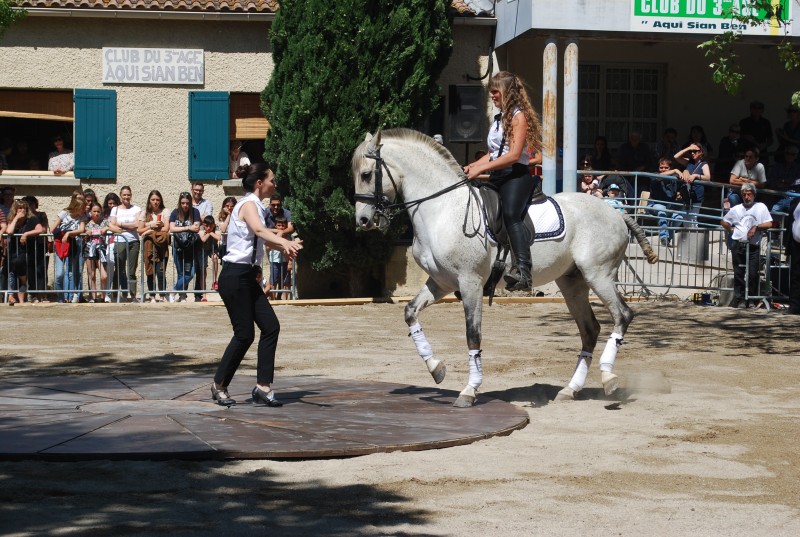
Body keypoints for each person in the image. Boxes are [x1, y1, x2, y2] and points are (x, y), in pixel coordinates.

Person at [211, 162, 303, 407]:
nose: (275, 184)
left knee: (270, 326)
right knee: (244, 334)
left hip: (248, 277)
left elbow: (261, 240)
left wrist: (285, 246)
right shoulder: (248, 205)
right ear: (259, 183)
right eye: (272, 179)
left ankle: (263, 386)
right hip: (234, 277)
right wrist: (284, 243)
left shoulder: (258, 207)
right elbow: (260, 231)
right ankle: (219, 384)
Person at [463, 70, 542, 291]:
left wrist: (481, 168)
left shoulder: (519, 116)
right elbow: (495, 153)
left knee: (510, 214)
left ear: (506, 92)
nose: (492, 96)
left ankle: (524, 272)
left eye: (495, 92)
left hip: (516, 175)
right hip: (500, 174)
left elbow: (514, 155)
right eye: (491, 92)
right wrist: (473, 167)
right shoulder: (499, 119)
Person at [721, 183, 773, 309]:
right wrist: (731, 230)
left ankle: (751, 299)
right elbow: (724, 221)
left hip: (753, 245)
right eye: (744, 195)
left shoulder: (761, 207)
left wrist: (756, 227)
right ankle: (740, 300)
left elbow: (769, 223)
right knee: (739, 273)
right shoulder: (736, 209)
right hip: (738, 244)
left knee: (753, 273)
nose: (746, 197)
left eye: (749, 194)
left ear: (754, 195)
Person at [5, 199, 43, 305]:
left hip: (27, 252)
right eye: (20, 208)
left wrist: (26, 234)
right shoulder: (12, 219)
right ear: (15, 209)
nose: (22, 210)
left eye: (24, 208)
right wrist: (16, 218)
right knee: (12, 274)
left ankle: (26, 298)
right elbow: (9, 231)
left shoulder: (32, 219)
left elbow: (40, 230)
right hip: (13, 252)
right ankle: (11, 296)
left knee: (26, 275)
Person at [108, 186, 142, 302]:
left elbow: (137, 225)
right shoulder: (115, 209)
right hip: (120, 241)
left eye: (128, 195)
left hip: (134, 241)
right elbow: (112, 225)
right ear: (121, 195)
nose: (126, 197)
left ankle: (132, 296)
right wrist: (127, 226)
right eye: (124, 195)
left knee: (132, 271)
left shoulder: (136, 209)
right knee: (119, 269)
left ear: (131, 195)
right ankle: (116, 295)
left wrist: (120, 224)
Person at [51, 192, 87, 303]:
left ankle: (70, 297)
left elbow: (81, 230)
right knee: (59, 274)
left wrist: (68, 234)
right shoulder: (64, 213)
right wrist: (64, 233)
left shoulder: (82, 217)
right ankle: (60, 297)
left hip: (73, 246)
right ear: (77, 207)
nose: (84, 210)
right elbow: (53, 228)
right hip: (60, 245)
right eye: (82, 208)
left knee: (71, 272)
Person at [138, 190, 170, 303]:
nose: (155, 202)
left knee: (161, 271)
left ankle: (162, 295)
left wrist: (151, 231)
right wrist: (150, 226)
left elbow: (166, 228)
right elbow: (139, 230)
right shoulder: (144, 213)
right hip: (149, 246)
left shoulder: (165, 211)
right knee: (150, 271)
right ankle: (152, 295)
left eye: (157, 200)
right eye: (153, 200)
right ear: (149, 200)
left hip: (161, 244)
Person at [169, 191, 201, 303]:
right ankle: (182, 296)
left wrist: (183, 227)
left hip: (191, 247)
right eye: (183, 203)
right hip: (177, 246)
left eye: (187, 203)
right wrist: (188, 228)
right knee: (181, 273)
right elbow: (171, 228)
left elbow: (196, 227)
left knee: (191, 273)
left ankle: (173, 292)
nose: (185, 205)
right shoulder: (175, 212)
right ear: (180, 203)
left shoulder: (195, 212)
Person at [673, 144, 709, 229]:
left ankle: (693, 240)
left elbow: (708, 177)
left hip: (696, 194)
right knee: (685, 217)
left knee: (693, 218)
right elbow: (676, 157)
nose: (692, 153)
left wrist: (696, 176)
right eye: (691, 152)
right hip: (686, 194)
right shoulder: (689, 162)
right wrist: (688, 148)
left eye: (695, 151)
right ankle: (688, 240)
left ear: (701, 152)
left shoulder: (704, 164)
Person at [21, 195, 48, 301]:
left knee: (41, 270)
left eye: (32, 203)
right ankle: (33, 294)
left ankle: (43, 294)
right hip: (29, 247)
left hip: (41, 245)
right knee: (31, 271)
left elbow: (44, 229)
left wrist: (29, 233)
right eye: (28, 203)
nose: (30, 206)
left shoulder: (41, 215)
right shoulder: (25, 218)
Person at [650, 157, 681, 246]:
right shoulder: (655, 175)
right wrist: (675, 170)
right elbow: (660, 177)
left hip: (669, 207)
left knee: (679, 218)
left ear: (670, 168)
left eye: (666, 168)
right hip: (654, 205)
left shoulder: (674, 178)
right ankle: (663, 237)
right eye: (661, 167)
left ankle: (668, 238)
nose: (663, 170)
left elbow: (681, 178)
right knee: (662, 210)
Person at [83, 202, 109, 303]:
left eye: (98, 211)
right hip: (89, 250)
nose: (96, 213)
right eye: (94, 211)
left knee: (104, 275)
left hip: (101, 250)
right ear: (90, 212)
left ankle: (104, 296)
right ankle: (93, 297)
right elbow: (81, 233)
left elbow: (117, 230)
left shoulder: (104, 222)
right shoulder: (87, 223)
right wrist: (85, 233)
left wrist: (107, 228)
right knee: (92, 274)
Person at [766, 145, 800, 213]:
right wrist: (788, 183)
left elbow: (797, 182)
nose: (789, 156)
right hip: (776, 194)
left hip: (792, 196)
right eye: (787, 153)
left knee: (775, 209)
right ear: (784, 154)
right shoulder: (777, 166)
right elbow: (772, 181)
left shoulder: (798, 168)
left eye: (793, 154)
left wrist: (782, 181)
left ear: (796, 156)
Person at [101, 192, 120, 302]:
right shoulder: (103, 214)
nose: (111, 205)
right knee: (107, 270)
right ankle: (106, 293)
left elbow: (118, 229)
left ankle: (114, 293)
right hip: (106, 244)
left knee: (116, 271)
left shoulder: (119, 213)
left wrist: (108, 227)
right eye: (109, 203)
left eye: (113, 203)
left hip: (117, 242)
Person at [267, 215, 292, 298]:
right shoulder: (271, 236)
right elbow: (267, 248)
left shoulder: (288, 237)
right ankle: (273, 298)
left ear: (285, 226)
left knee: (286, 280)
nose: (281, 228)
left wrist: (290, 263)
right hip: (275, 261)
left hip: (285, 261)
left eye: (283, 225)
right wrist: (277, 237)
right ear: (275, 225)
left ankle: (284, 299)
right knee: (274, 280)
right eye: (279, 225)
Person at [198, 215, 221, 301]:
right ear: (203, 224)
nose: (208, 228)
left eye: (211, 226)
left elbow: (219, 237)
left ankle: (215, 281)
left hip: (212, 248)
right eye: (206, 226)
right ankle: (204, 295)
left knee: (215, 258)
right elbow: (203, 239)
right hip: (202, 250)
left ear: (214, 225)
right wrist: (210, 233)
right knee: (203, 272)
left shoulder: (216, 228)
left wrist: (210, 232)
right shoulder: (201, 228)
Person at [785, 196, 800, 314]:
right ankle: (794, 306)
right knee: (795, 275)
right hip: (796, 244)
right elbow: (790, 221)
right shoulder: (796, 202)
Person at [217, 196, 237, 267]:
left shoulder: (237, 217)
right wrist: (228, 215)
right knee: (225, 267)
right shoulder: (222, 217)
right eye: (227, 206)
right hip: (225, 245)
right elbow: (223, 229)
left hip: (235, 245)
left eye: (232, 206)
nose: (229, 208)